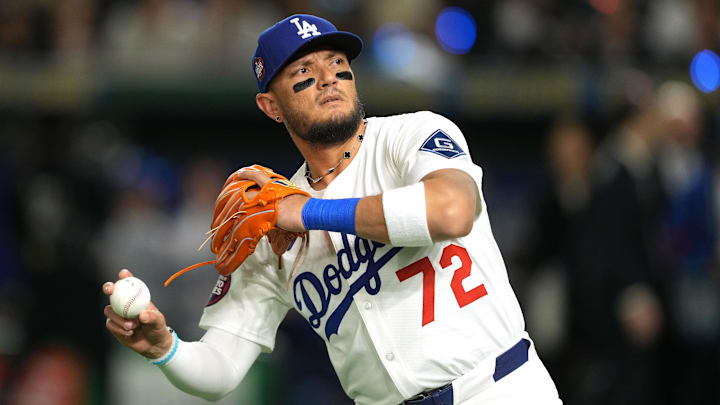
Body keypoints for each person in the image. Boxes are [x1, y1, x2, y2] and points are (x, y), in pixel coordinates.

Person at [102, 14, 562, 405]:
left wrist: (311, 214)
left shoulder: (410, 136)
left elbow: (451, 211)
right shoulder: (271, 221)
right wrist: (164, 348)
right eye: (303, 71)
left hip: (500, 389)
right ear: (271, 106)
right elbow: (220, 369)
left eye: (337, 64)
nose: (327, 78)